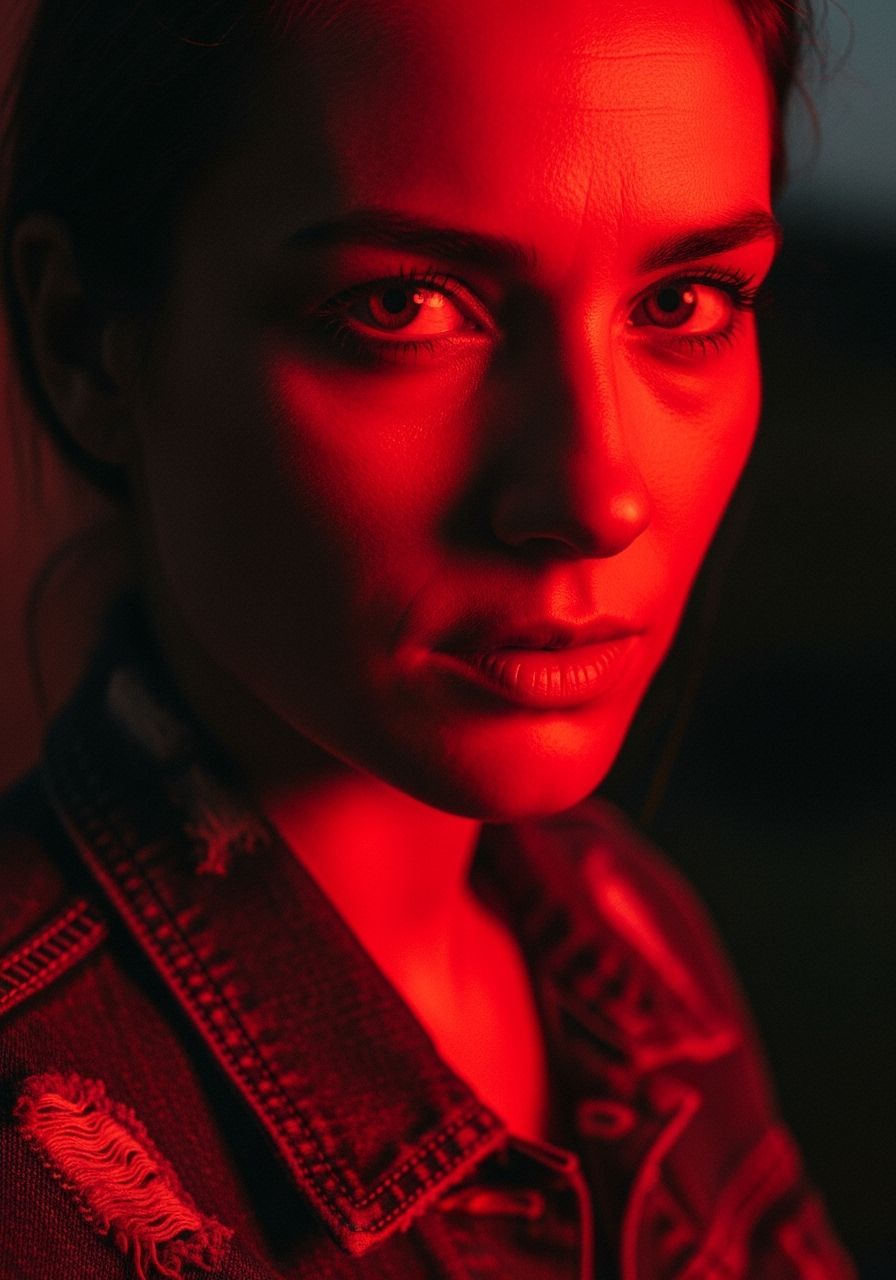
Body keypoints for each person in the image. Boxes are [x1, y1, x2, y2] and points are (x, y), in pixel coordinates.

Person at [0, 1, 858, 1277]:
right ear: (88, 346)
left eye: (684, 299)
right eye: (402, 305)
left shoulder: (623, 933)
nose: (594, 495)